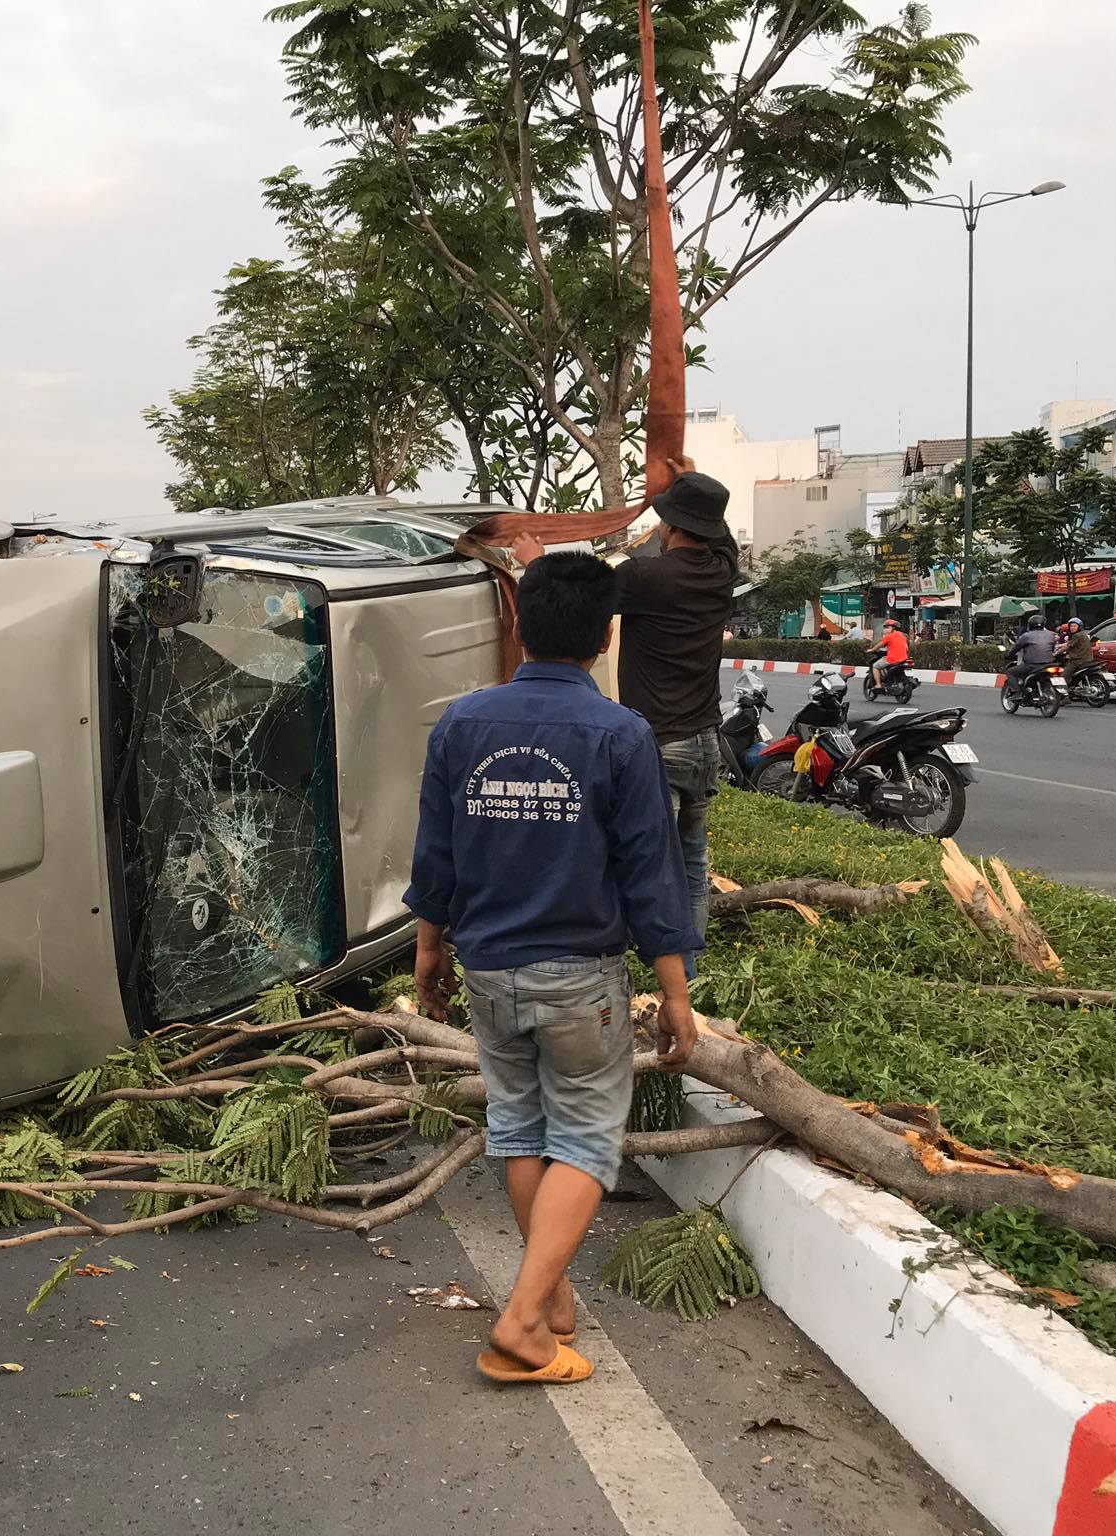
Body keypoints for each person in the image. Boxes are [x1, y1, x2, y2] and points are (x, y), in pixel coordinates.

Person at [405, 551, 700, 1387]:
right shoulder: (621, 734)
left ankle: (553, 1297)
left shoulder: (461, 724)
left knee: (522, 1130)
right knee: (584, 1138)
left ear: (518, 625)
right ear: (608, 634)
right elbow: (652, 872)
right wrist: (675, 994)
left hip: (488, 972)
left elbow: (438, 854)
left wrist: (430, 949)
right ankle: (523, 1325)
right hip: (579, 979)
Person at [504, 460, 735, 952]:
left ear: (669, 525)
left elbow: (577, 601)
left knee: (652, 870)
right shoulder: (722, 571)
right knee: (692, 859)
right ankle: (690, 968)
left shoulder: (649, 576)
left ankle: (665, 977)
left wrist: (534, 562)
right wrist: (690, 481)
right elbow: (722, 539)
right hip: (705, 742)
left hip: (661, 743)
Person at [1004, 611, 1060, 695]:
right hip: (1049, 663)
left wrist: (1009, 655)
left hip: (1033, 665)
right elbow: (1052, 648)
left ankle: (1017, 692)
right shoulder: (1051, 634)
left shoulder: (1026, 636)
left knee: (1010, 672)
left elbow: (1016, 647)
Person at [869, 617, 909, 691]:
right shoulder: (902, 636)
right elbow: (907, 648)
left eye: (887, 627)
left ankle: (878, 685)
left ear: (892, 628)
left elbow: (879, 645)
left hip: (892, 659)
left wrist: (872, 649)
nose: (885, 629)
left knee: (875, 666)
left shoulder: (889, 636)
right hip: (904, 659)